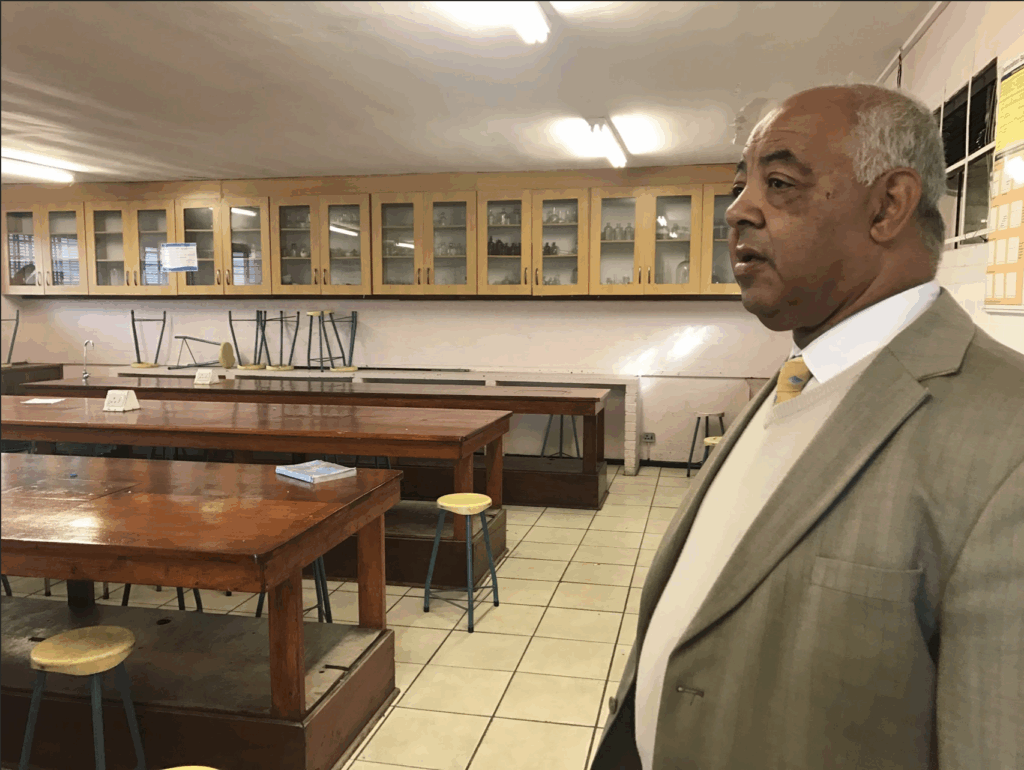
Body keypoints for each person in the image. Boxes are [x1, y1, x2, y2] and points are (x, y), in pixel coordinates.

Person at [590, 83, 1024, 769]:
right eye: (742, 184)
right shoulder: (802, 373)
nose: (737, 209)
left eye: (780, 183)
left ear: (888, 205)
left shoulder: (1007, 436)